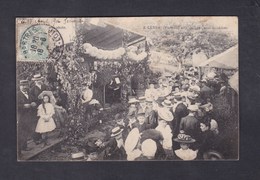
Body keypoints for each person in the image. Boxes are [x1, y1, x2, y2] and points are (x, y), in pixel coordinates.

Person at [17, 80, 37, 156]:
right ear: (20, 86)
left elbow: (35, 101)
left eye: (25, 85)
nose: (24, 87)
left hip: (29, 116)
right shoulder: (17, 95)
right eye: (22, 85)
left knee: (26, 131)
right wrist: (23, 106)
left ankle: (24, 146)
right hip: (21, 116)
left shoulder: (29, 93)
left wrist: (34, 103)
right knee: (21, 132)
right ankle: (20, 149)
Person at [30, 74, 50, 144]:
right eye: (37, 80)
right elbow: (31, 99)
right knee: (37, 122)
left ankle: (44, 137)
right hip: (37, 108)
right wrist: (37, 99)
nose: (39, 81)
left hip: (44, 106)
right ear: (35, 81)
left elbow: (48, 94)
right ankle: (36, 138)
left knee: (44, 121)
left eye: (40, 80)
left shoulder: (44, 86)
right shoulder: (32, 89)